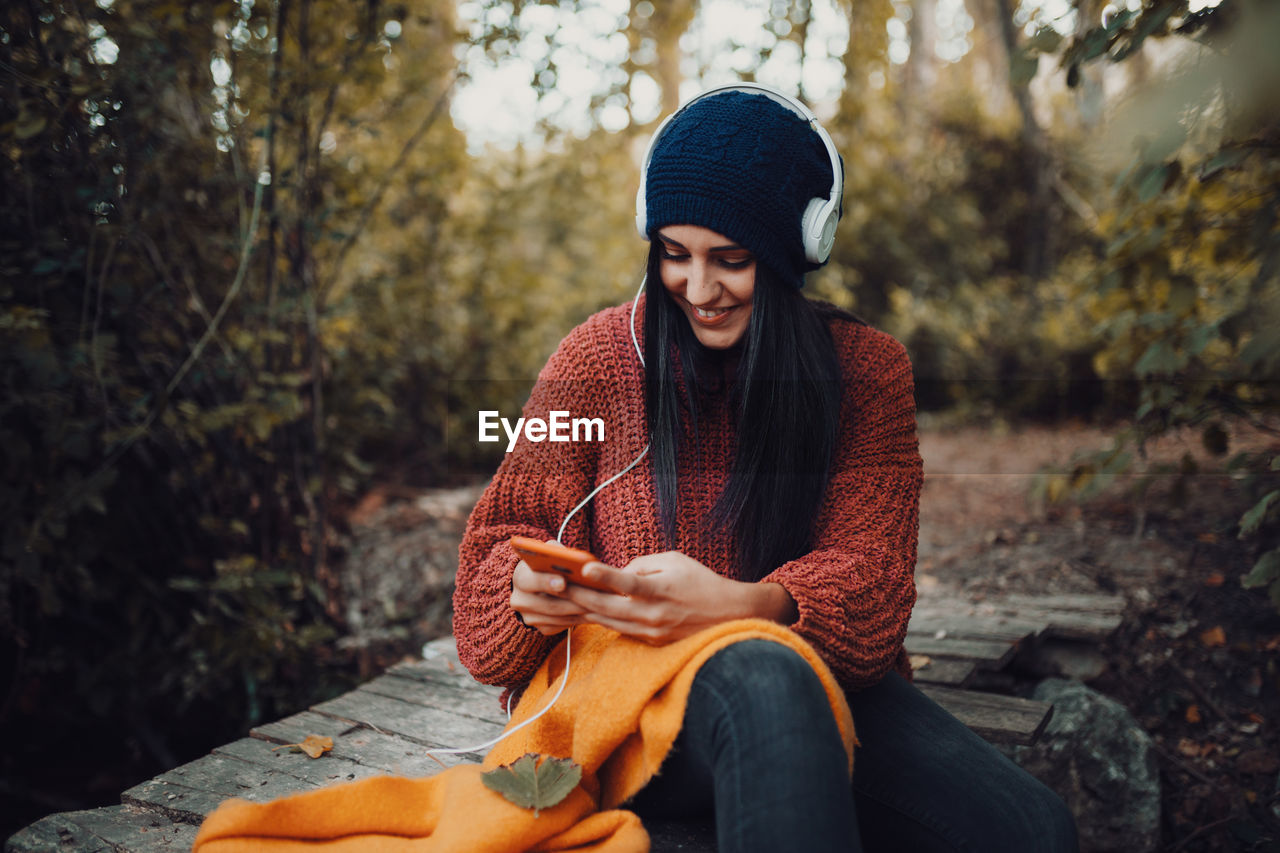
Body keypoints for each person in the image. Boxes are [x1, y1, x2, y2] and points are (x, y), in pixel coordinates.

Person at [452, 84, 1078, 853]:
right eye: (674, 255)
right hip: (630, 704)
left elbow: (874, 584)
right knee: (763, 681)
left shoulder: (869, 372)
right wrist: (524, 597)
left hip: (818, 679)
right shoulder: (596, 359)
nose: (699, 288)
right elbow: (488, 584)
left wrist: (746, 604)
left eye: (732, 260)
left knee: (1034, 829)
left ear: (797, 250)